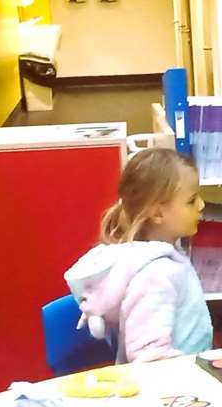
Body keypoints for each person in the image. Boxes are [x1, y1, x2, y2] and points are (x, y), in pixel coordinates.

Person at [63, 147, 212, 363]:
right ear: (158, 213)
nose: (201, 205)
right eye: (191, 200)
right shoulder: (156, 274)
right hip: (171, 390)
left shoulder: (164, 258)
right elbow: (149, 357)